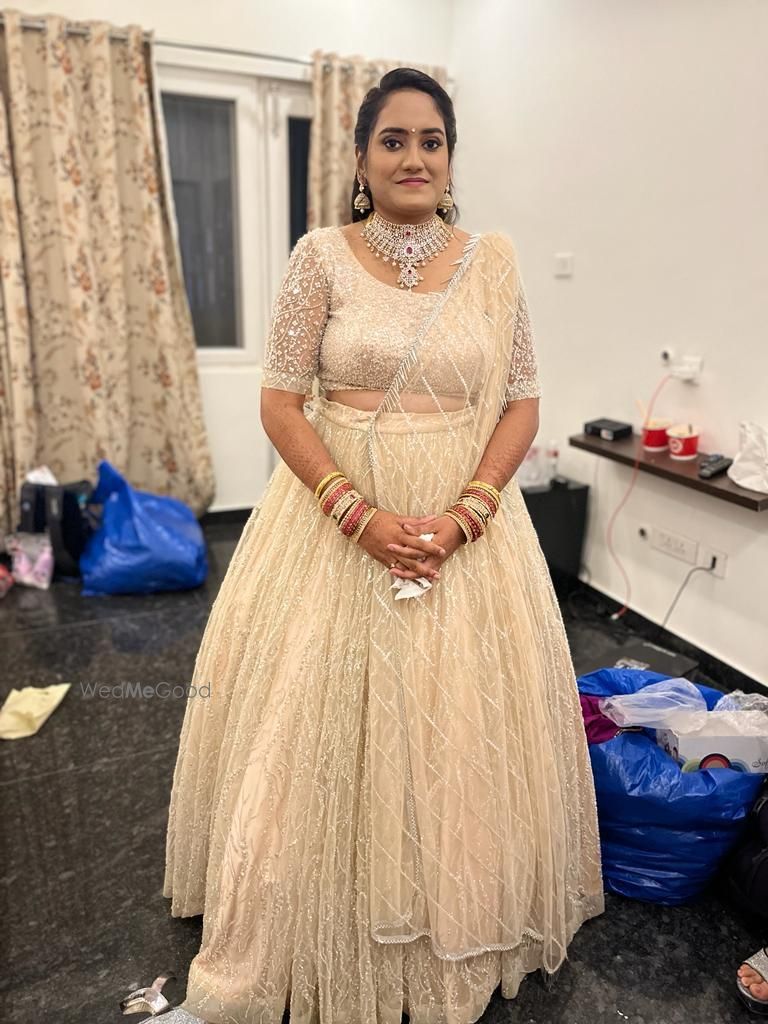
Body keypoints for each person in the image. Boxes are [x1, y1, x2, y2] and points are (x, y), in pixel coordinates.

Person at [163, 67, 605, 1024]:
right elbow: (281, 402)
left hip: (466, 534)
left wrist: (468, 513)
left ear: (451, 158)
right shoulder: (320, 256)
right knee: (306, 721)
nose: (414, 158)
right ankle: (299, 924)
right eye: (393, 140)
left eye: (431, 141)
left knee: (461, 722)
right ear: (361, 158)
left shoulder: (491, 264)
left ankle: (453, 912)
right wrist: (358, 517)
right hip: (332, 528)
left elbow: (522, 403)